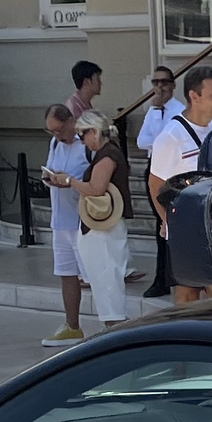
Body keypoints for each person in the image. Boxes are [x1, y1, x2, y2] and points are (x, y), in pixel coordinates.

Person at [148, 63, 212, 305]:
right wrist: (166, 222)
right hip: (185, 231)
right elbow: (155, 185)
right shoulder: (170, 136)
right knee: (187, 296)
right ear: (194, 96)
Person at [66, 109, 131, 328]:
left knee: (108, 280)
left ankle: (115, 328)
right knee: (104, 280)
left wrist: (68, 181)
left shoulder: (108, 155)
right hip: (100, 226)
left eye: (82, 135)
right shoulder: (106, 153)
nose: (82, 141)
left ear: (93, 131)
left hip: (105, 227)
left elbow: (95, 189)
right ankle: (113, 327)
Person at [37, 103, 90, 347]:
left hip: (83, 219)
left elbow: (89, 178)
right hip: (60, 219)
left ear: (71, 121)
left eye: (59, 130)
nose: (57, 135)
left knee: (93, 275)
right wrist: (51, 177)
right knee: (66, 273)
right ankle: (72, 325)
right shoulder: (55, 144)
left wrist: (67, 180)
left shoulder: (85, 145)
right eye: (52, 132)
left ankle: (112, 323)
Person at [134, 65, 183, 298]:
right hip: (154, 169)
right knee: (159, 227)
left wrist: (158, 140)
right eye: (155, 82)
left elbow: (168, 142)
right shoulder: (153, 110)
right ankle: (161, 278)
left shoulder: (179, 110)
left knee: (172, 226)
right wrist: (158, 134)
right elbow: (142, 141)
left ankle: (178, 275)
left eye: (164, 82)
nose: (159, 87)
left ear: (172, 85)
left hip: (174, 173)